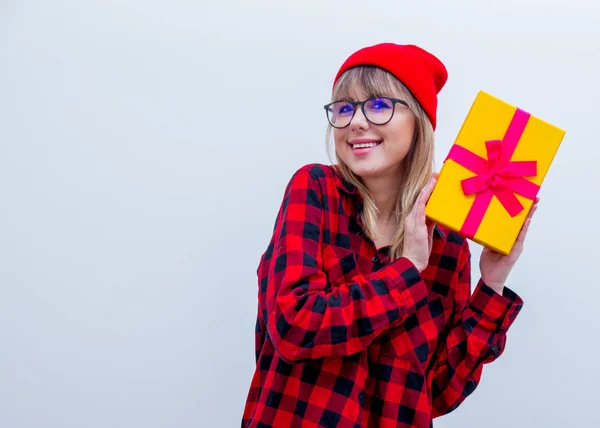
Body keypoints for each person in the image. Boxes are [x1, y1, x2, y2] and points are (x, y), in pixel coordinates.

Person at [241, 42, 536, 428]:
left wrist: (493, 283)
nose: (356, 122)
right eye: (344, 108)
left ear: (418, 121)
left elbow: (438, 392)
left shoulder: (447, 243)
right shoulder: (314, 189)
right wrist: (408, 269)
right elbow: (295, 327)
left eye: (379, 105)